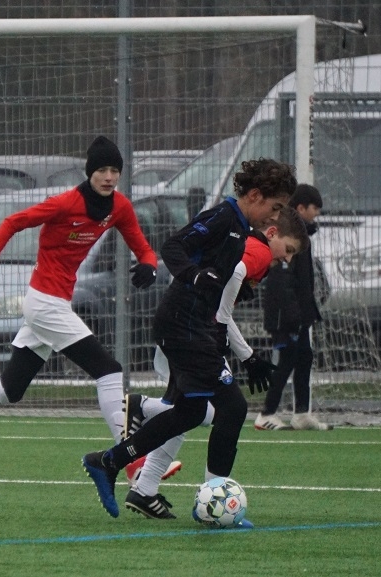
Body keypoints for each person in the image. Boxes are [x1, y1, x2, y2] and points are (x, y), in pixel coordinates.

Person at [0, 136, 158, 468]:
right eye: (102, 170)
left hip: (55, 304)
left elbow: (143, 248)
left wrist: (149, 265)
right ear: (89, 172)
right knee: (108, 371)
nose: (109, 177)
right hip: (45, 304)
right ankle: (131, 460)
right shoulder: (64, 203)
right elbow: (11, 223)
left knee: (10, 388)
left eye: (114, 171)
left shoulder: (119, 207)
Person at [81, 157, 296, 521]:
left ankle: (110, 461)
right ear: (255, 196)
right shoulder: (224, 218)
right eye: (274, 208)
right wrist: (195, 276)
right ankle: (211, 503)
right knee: (232, 408)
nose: (274, 217)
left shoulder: (240, 227)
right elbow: (173, 246)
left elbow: (222, 284)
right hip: (183, 325)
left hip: (193, 326)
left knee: (192, 411)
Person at [123, 207, 308, 519]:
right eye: (288, 249)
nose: (288, 259)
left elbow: (221, 306)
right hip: (190, 334)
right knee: (222, 410)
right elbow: (224, 304)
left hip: (185, 329)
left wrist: (243, 350)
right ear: (273, 231)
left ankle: (144, 488)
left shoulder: (250, 244)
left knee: (187, 412)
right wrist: (245, 353)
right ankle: (146, 411)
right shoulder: (258, 252)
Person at [257, 184, 332, 431]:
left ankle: (301, 413)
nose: (317, 214)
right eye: (314, 208)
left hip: (299, 313)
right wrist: (292, 316)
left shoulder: (302, 236)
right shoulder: (287, 237)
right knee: (286, 360)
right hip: (287, 316)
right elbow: (282, 280)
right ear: (301, 208)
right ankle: (266, 413)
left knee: (304, 358)